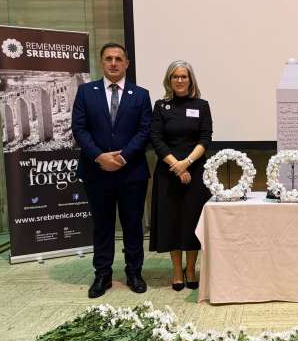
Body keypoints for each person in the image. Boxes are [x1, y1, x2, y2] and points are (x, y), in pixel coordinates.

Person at [72, 42, 153, 298]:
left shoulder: (140, 95)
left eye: (119, 58)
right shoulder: (86, 92)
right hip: (96, 172)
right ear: (101, 62)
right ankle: (103, 274)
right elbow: (79, 129)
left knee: (133, 224)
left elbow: (144, 130)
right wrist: (99, 157)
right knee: (103, 225)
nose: (114, 63)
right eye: (109, 59)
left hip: (132, 172)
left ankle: (134, 271)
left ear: (127, 63)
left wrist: (123, 157)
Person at [150, 60, 212, 291]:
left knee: (192, 220)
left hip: (195, 171)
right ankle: (177, 270)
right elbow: (156, 138)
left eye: (183, 76)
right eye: (175, 76)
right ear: (169, 80)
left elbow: (205, 139)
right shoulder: (161, 106)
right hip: (168, 172)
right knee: (172, 221)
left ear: (190, 79)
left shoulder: (202, 105)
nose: (179, 80)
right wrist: (176, 165)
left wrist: (186, 163)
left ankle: (191, 269)